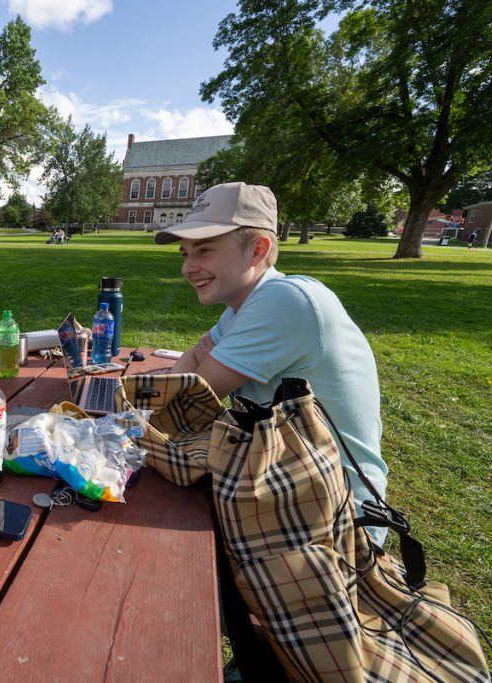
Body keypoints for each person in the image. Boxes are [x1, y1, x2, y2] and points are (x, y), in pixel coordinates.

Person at [159, 181, 390, 682]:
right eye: (184, 251)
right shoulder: (245, 302)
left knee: (168, 548)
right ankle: (253, 656)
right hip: (288, 486)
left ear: (258, 247)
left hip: (335, 520)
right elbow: (194, 364)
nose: (187, 266)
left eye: (204, 249)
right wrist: (167, 395)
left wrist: (149, 406)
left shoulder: (283, 301)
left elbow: (192, 397)